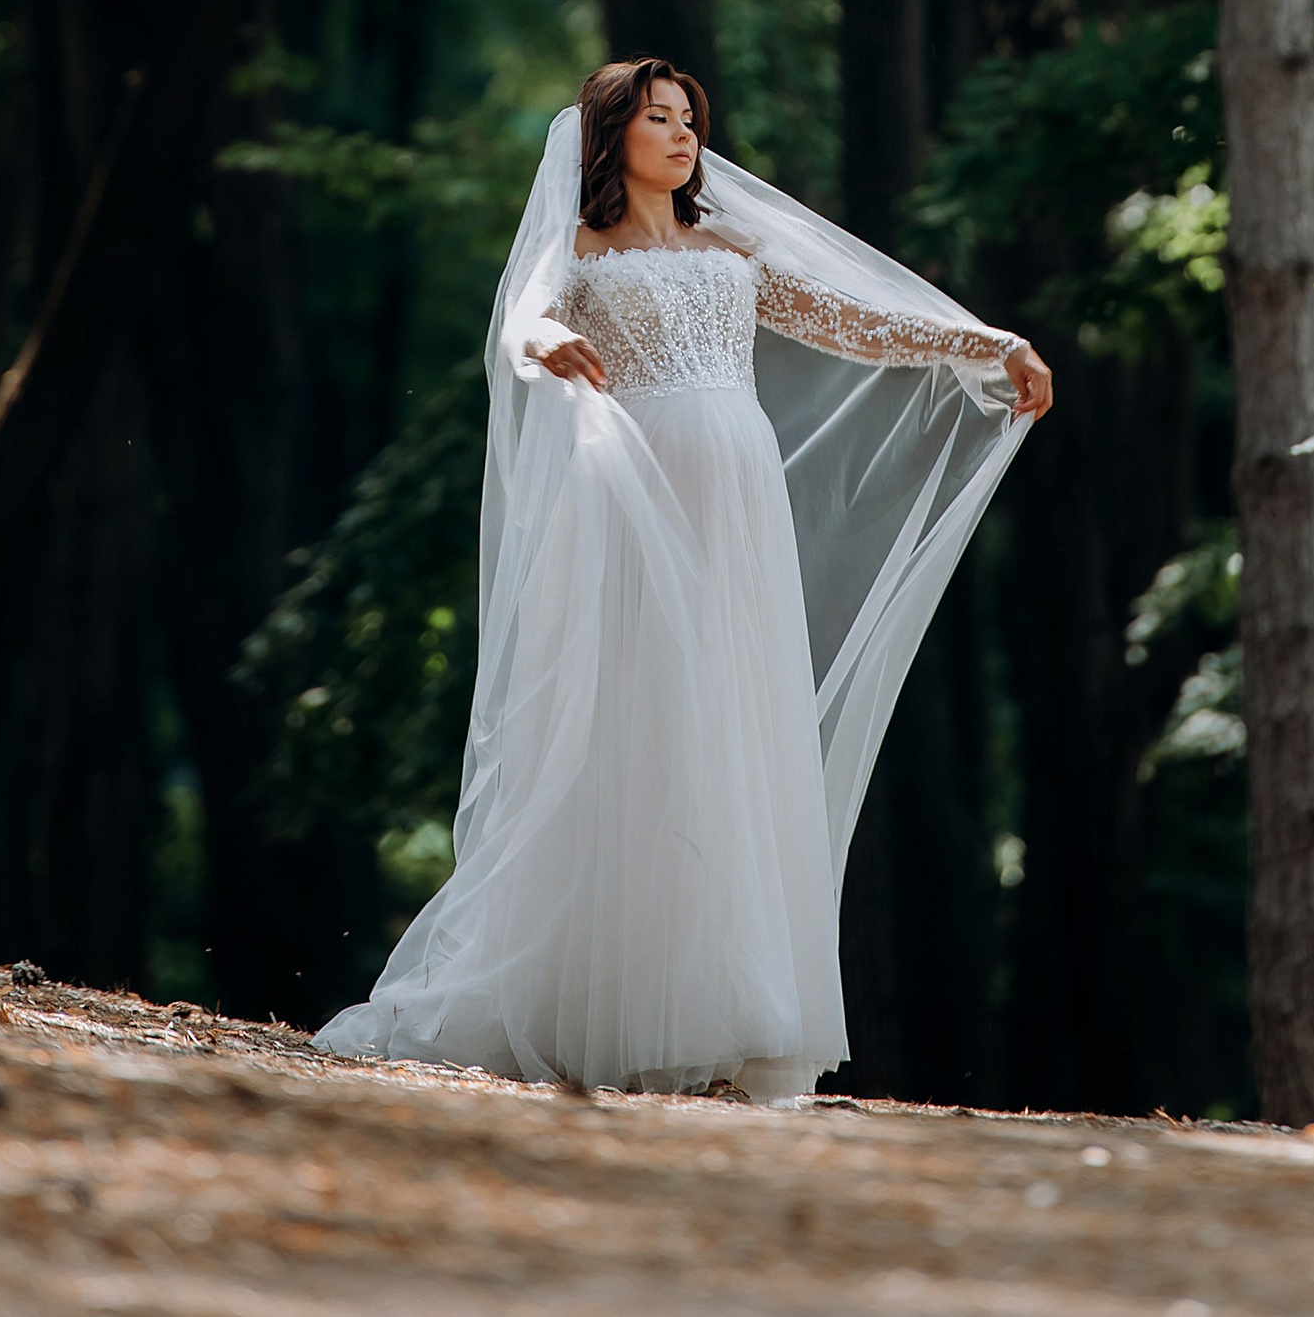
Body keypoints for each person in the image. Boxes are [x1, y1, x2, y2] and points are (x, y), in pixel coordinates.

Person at [315, 54, 1053, 1102]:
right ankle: (599, 1000)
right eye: (657, 116)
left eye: (689, 119)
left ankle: (725, 1003)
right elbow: (523, 315)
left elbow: (852, 320)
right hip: (629, 498)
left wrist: (986, 340)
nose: (680, 133)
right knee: (635, 724)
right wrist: (553, 338)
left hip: (735, 504)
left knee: (728, 727)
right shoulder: (576, 247)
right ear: (607, 134)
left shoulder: (729, 247)